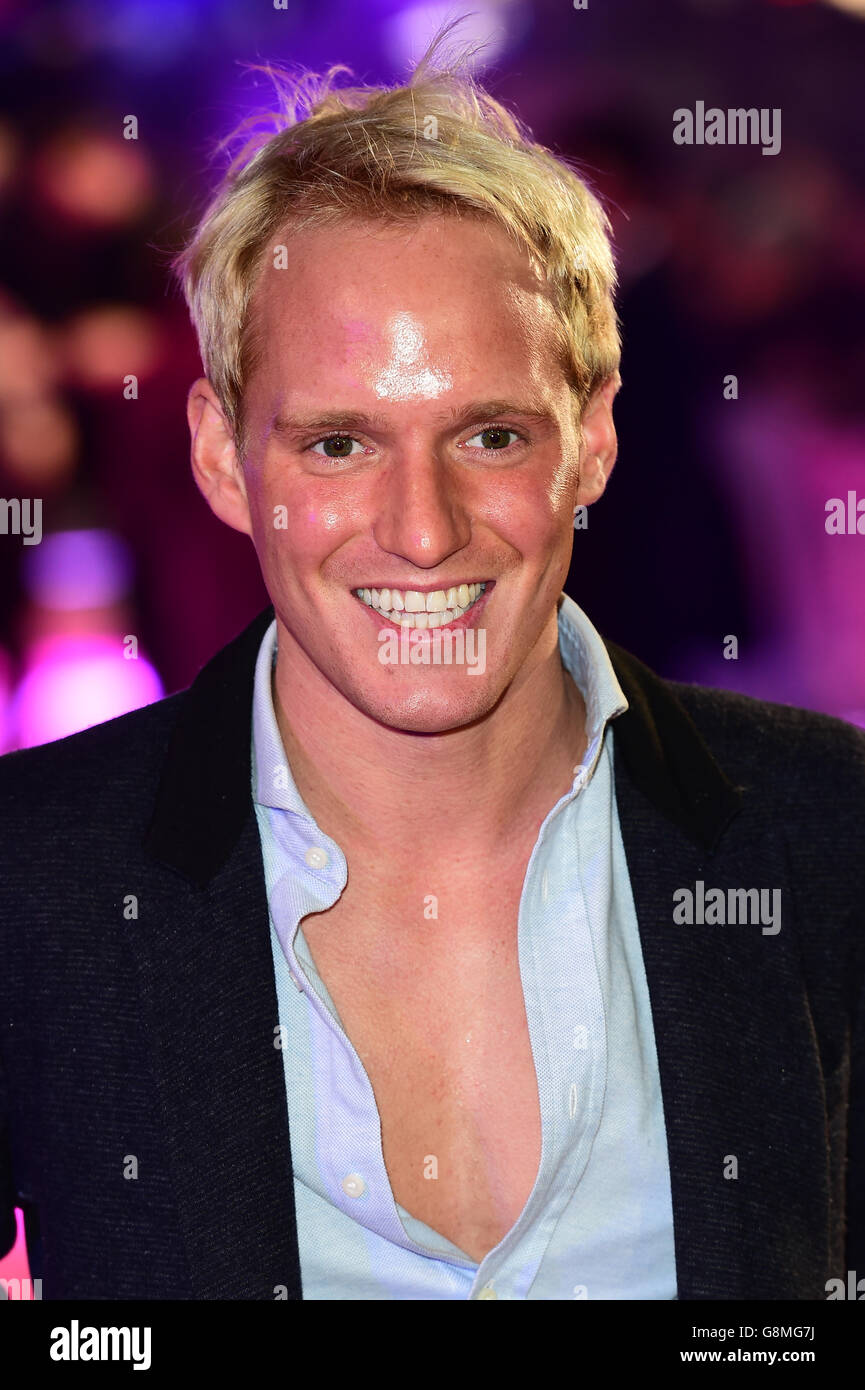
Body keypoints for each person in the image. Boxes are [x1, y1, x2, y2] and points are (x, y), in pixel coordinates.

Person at [0, 26, 863, 1302]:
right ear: (223, 458)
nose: (421, 530)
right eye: (339, 444)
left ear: (591, 441)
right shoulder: (33, 877)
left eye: (491, 435)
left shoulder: (827, 830)